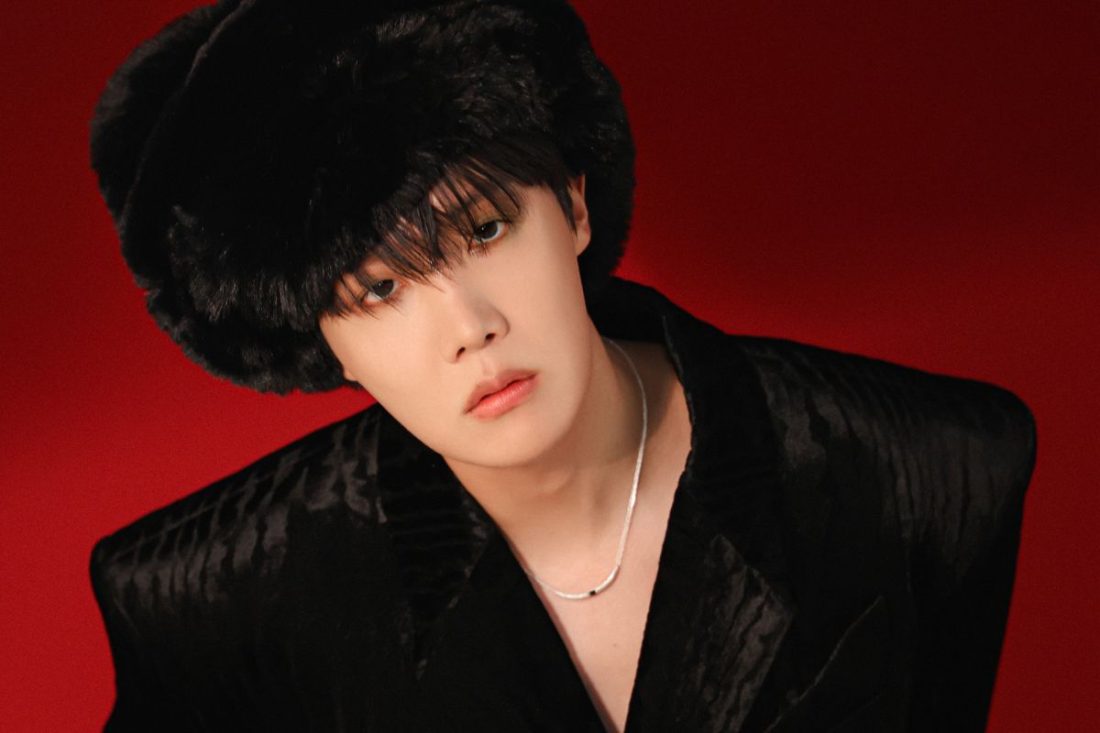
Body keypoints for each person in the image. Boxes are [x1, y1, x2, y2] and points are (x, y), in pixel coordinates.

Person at [88, 0, 1037, 731]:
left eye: (484, 229)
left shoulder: (934, 462)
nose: (471, 326)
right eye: (378, 288)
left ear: (573, 207)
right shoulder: (210, 603)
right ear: (321, 343)